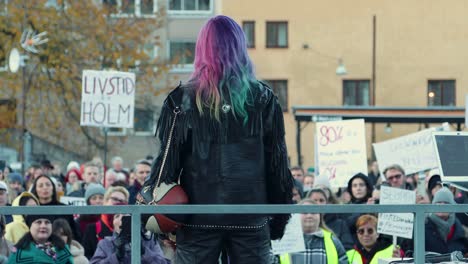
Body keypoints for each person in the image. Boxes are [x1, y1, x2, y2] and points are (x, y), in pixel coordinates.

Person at [142, 15, 293, 264]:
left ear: (202, 48)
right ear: (240, 48)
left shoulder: (181, 100)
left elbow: (165, 170)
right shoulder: (264, 99)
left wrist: (164, 219)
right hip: (251, 218)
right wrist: (278, 220)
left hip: (199, 218)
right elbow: (277, 167)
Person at [279, 199, 348, 264]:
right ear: (297, 216)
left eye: (313, 212)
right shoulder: (285, 240)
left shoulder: (333, 241)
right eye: (305, 212)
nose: (309, 215)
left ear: (320, 217)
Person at [90, 214, 168, 264]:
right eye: (117, 216)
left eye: (126, 215)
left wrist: (144, 252)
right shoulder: (105, 243)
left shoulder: (148, 240)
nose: (121, 218)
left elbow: (163, 262)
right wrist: (116, 256)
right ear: (113, 224)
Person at [82, 186, 129, 259]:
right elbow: (86, 256)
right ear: (105, 201)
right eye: (115, 199)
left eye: (122, 201)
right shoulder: (92, 228)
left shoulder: (131, 228)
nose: (118, 202)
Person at [8, 215, 73, 264]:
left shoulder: (63, 250)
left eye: (47, 222)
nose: (43, 226)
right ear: (30, 226)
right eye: (38, 222)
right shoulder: (18, 253)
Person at [425, 187, 468, 255]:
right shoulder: (423, 227)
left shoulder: (461, 230)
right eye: (438, 202)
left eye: (446, 203)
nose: (442, 205)